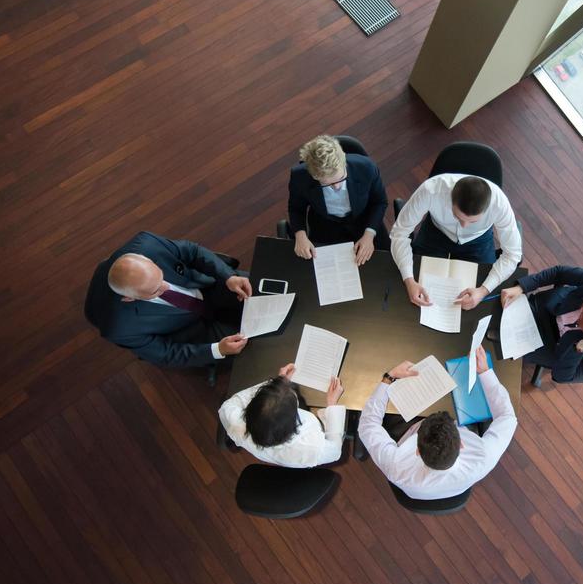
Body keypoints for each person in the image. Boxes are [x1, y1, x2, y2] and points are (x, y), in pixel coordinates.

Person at [358, 348, 517, 500]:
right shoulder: (483, 457)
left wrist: (389, 378)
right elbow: (507, 417)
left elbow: (367, 425)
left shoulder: (396, 466)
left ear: (417, 451)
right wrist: (485, 372)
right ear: (461, 444)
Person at [84, 231, 252, 369]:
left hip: (206, 286)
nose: (166, 287)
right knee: (249, 351)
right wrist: (218, 349)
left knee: (260, 290)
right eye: (155, 291)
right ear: (129, 298)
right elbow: (167, 354)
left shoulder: (147, 244)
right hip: (189, 330)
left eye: (161, 277)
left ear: (148, 260)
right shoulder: (119, 329)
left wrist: (228, 276)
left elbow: (191, 251)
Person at [390, 172, 522, 311]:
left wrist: (483, 291)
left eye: (473, 221)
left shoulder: (499, 205)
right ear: (451, 199)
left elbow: (513, 254)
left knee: (480, 294)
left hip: (478, 240)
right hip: (436, 232)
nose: (464, 225)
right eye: (457, 216)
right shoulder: (431, 191)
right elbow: (399, 234)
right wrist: (409, 280)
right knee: (418, 280)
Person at [499, 265, 583, 383]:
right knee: (496, 309)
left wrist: (580, 347)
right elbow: (560, 272)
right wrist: (522, 287)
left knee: (497, 349)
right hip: (546, 309)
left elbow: (562, 377)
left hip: (552, 345)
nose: (580, 316)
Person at [287, 135, 388, 265]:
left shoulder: (366, 167)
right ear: (314, 175)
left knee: (384, 265)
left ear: (344, 162)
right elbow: (296, 208)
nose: (337, 187)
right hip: (325, 225)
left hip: (364, 221)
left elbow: (380, 202)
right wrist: (300, 235)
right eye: (328, 183)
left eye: (341, 178)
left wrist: (369, 235)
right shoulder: (299, 176)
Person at [220, 367, 346, 467]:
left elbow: (229, 404)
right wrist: (332, 404)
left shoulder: (236, 425)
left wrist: (277, 384)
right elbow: (335, 451)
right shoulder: (312, 446)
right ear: (295, 421)